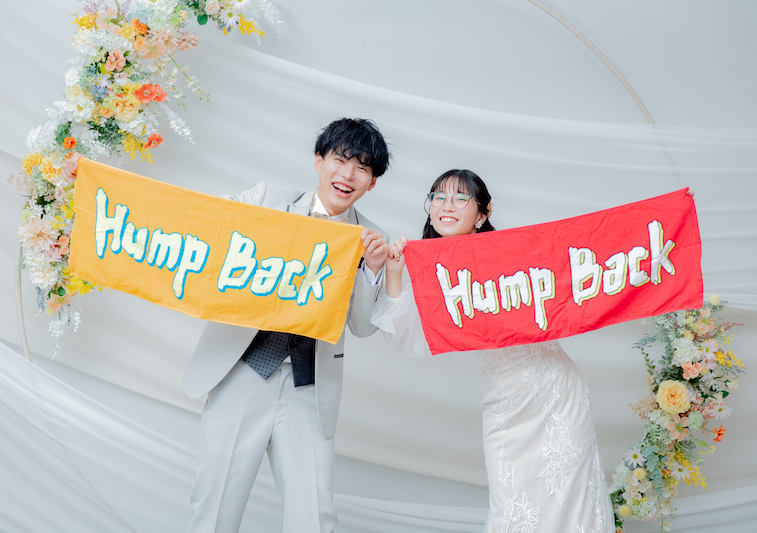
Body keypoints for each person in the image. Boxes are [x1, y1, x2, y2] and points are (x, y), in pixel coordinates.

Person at [62, 117, 392, 533]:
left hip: (309, 388)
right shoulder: (267, 200)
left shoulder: (372, 238)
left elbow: (362, 325)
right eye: (340, 160)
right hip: (242, 371)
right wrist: (97, 180)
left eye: (361, 168)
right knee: (216, 508)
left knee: (314, 518)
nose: (348, 175)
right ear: (318, 161)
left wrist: (373, 270)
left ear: (372, 183)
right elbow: (195, 219)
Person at [372, 169, 614, 533]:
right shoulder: (430, 268)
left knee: (568, 498)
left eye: (460, 198)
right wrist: (394, 271)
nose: (447, 206)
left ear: (481, 215)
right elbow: (405, 336)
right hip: (504, 402)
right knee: (513, 505)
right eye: (438, 197)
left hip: (556, 393)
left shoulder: (512, 252)